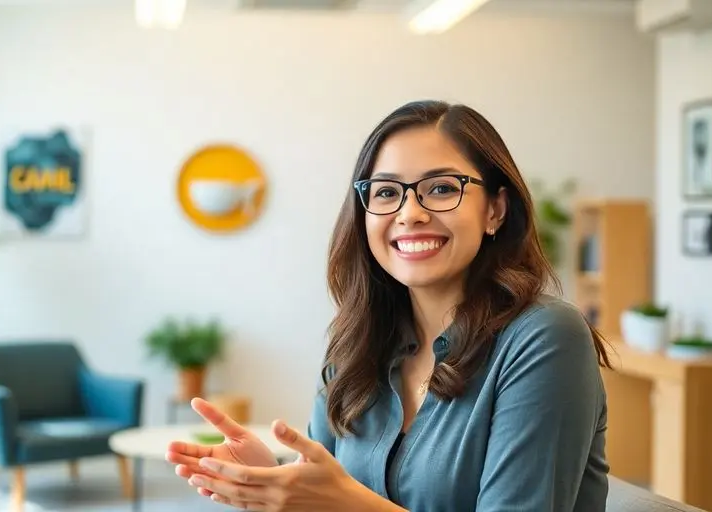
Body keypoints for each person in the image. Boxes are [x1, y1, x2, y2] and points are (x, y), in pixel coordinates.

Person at [165, 100, 612, 511]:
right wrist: (275, 481)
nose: (409, 212)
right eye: (385, 192)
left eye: (440, 188)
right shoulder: (358, 345)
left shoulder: (547, 336)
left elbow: (342, 502)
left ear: (495, 209)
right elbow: (327, 495)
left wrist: (346, 504)